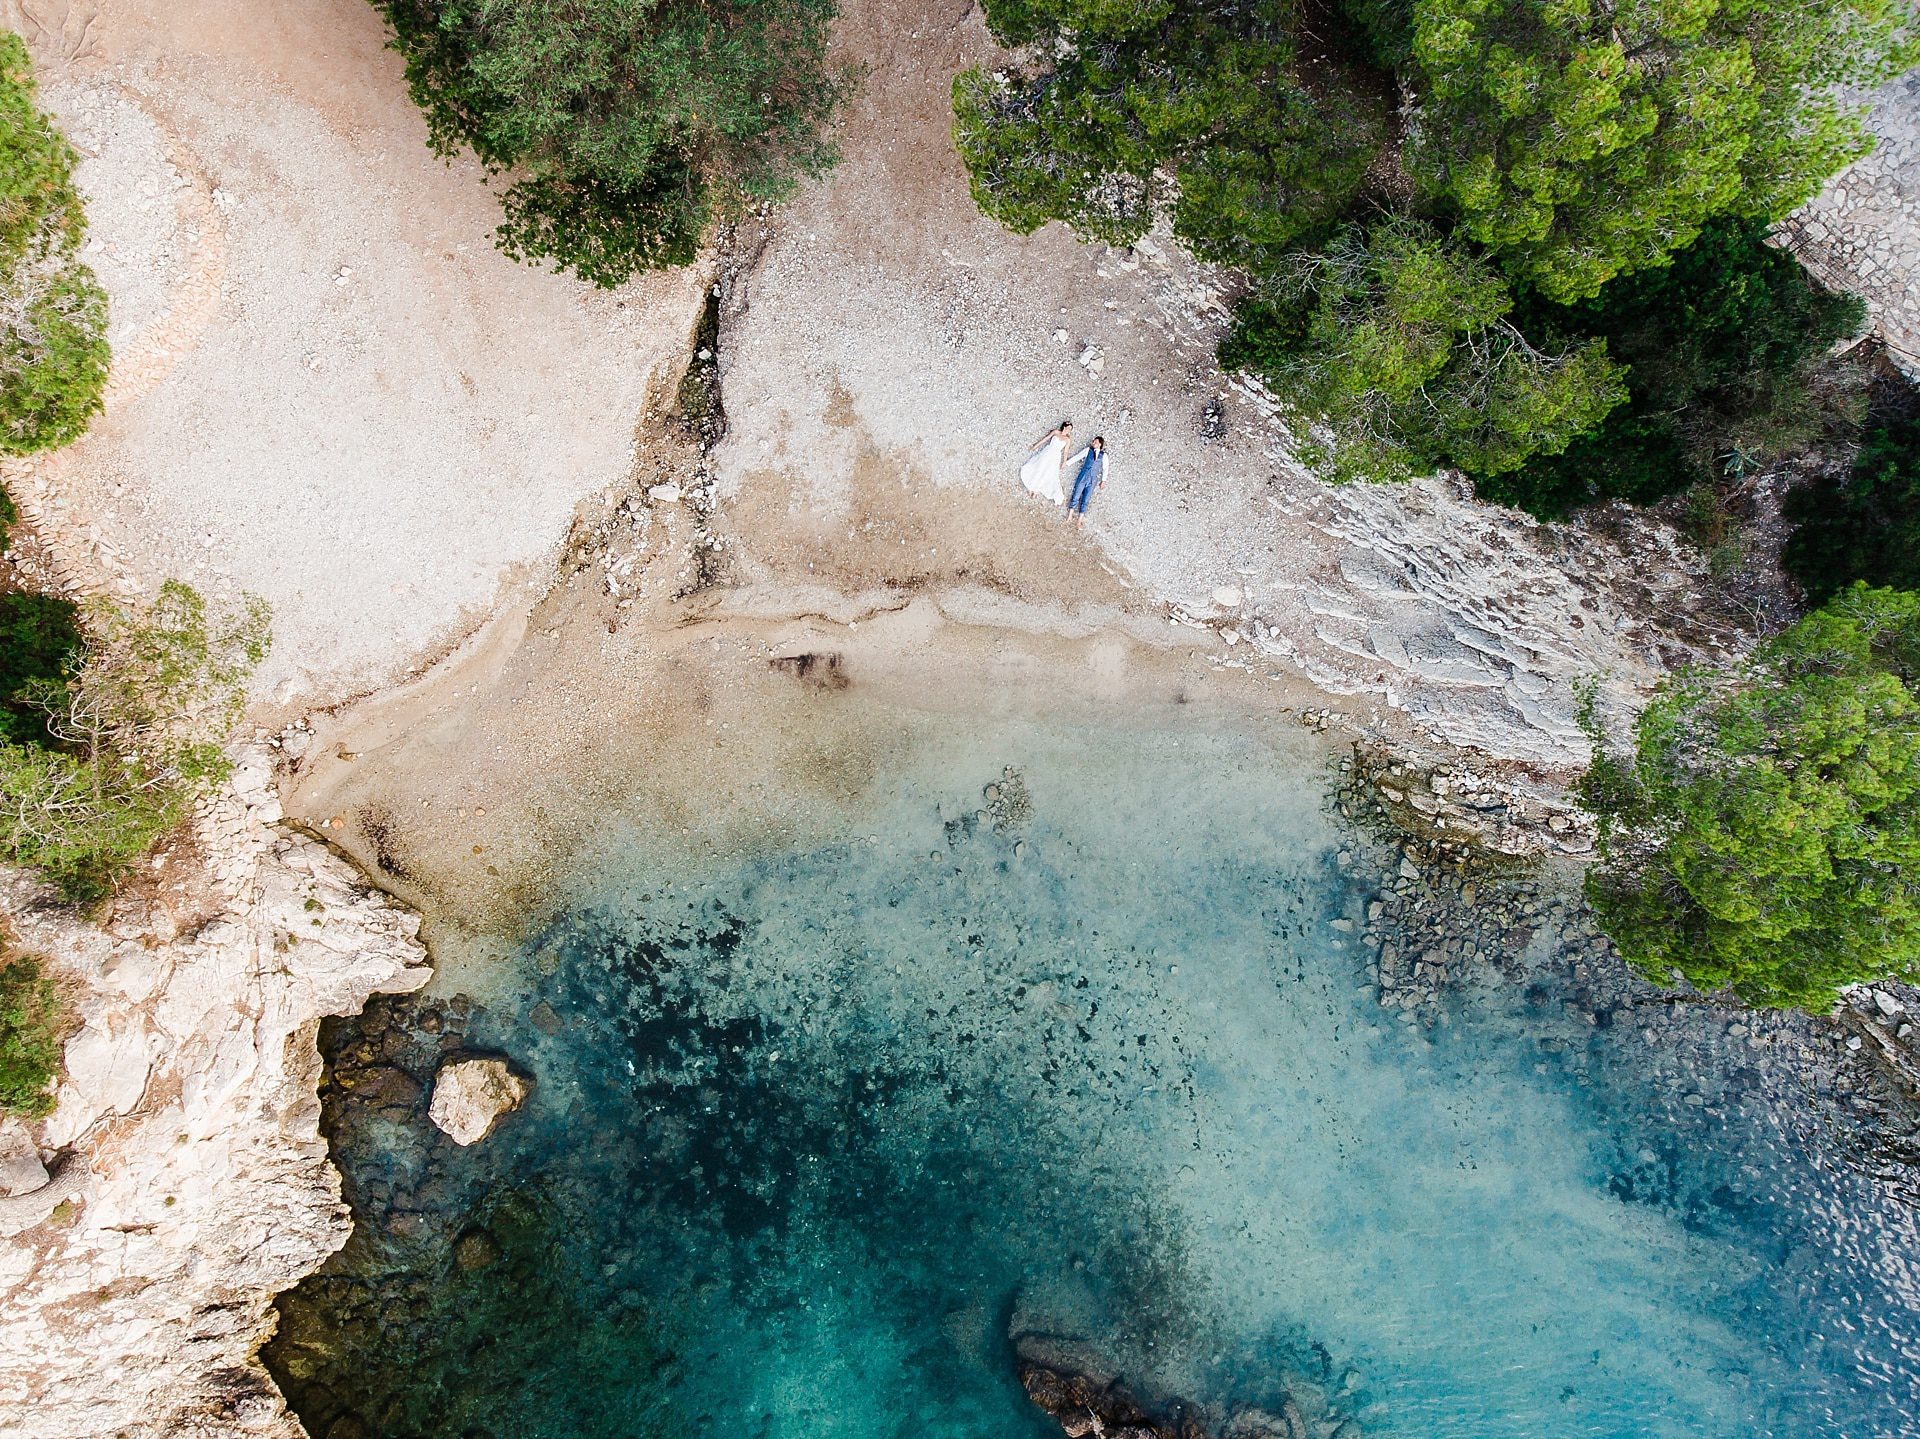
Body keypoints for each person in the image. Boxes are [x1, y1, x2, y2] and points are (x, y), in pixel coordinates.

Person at [1019, 420, 1072, 505]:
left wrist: (1064, 462)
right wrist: (1035, 446)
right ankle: (1031, 486)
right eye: (1068, 428)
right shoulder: (1056, 432)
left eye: (1070, 429)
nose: (1068, 430)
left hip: (1055, 456)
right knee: (1039, 467)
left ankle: (1037, 490)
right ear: (1064, 426)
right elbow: (1046, 438)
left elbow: (1066, 452)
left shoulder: (1067, 439)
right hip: (1047, 452)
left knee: (1047, 472)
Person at [1064, 435, 1107, 523]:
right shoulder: (1088, 450)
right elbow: (1078, 457)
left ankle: (1079, 520)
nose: (1093, 443)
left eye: (1095, 442)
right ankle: (1070, 516)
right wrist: (1067, 463)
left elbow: (1105, 468)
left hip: (1093, 479)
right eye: (1093, 441)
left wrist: (1103, 480)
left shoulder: (1104, 455)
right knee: (1076, 495)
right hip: (1083, 475)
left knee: (1086, 499)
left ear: (1099, 444)